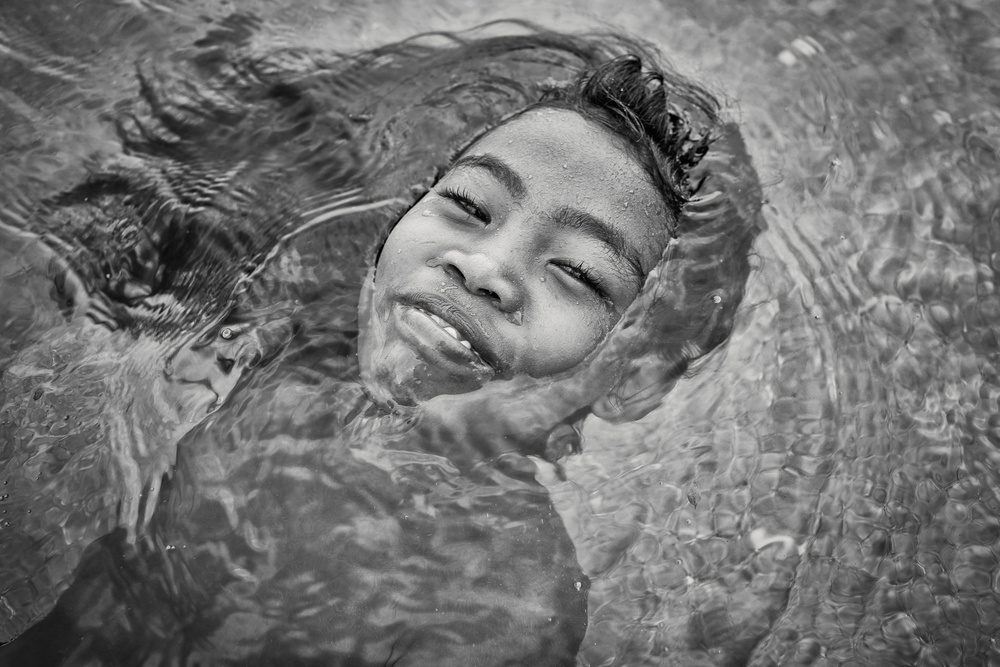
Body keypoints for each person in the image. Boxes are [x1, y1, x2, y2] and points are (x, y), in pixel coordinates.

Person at [0, 21, 763, 667]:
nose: (485, 266)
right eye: (468, 204)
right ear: (393, 227)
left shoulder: (509, 602)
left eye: (577, 272)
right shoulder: (275, 356)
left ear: (633, 372)